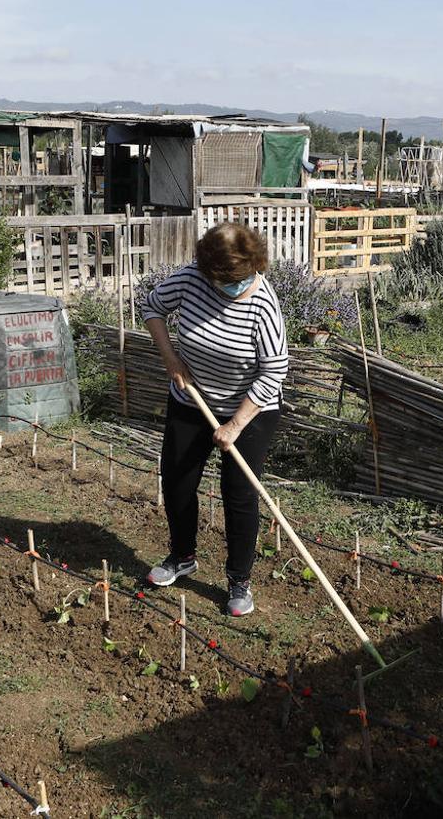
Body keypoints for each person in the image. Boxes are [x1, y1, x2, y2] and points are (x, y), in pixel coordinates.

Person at [140, 223, 289, 616]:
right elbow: (152, 307)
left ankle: (239, 581)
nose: (234, 286)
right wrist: (172, 361)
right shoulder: (192, 278)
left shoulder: (263, 305)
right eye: (226, 280)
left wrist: (235, 425)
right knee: (177, 481)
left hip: (250, 411)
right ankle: (182, 556)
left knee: (238, 495)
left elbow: (274, 370)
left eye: (240, 278)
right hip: (192, 399)